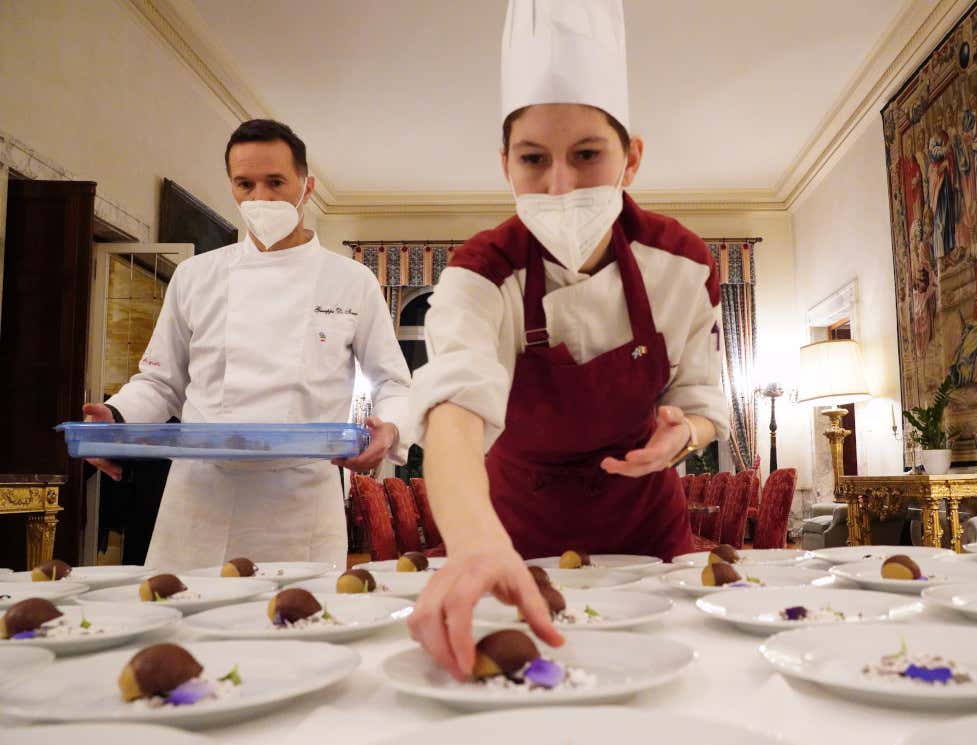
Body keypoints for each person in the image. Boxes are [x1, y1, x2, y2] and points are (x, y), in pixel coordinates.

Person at [406, 0, 728, 679]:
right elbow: (454, 414)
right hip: (509, 533)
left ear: (631, 158)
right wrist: (471, 542)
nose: (560, 186)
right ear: (504, 165)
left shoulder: (683, 263)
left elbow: (702, 397)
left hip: (648, 538)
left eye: (587, 155)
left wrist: (685, 436)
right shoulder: (478, 273)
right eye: (533, 160)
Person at [83, 119, 412, 570]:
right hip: (200, 496)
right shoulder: (196, 276)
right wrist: (116, 418)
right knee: (183, 627)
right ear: (232, 187)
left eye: (276, 182)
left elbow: (394, 382)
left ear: (306, 186)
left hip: (298, 500)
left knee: (300, 628)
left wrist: (389, 428)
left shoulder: (351, 281)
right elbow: (161, 383)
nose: (260, 198)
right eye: (245, 184)